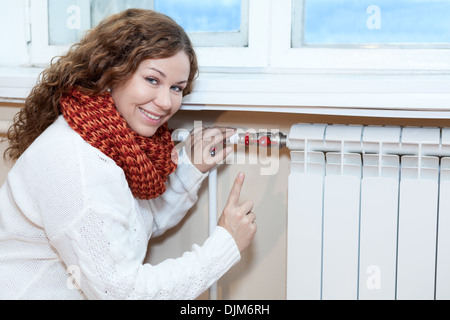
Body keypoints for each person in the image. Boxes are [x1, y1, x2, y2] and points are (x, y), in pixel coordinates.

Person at [0, 9, 256, 300]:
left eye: (176, 88)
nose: (165, 102)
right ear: (111, 72)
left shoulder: (108, 137)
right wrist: (224, 246)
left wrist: (191, 168)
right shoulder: (79, 165)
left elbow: (133, 225)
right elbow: (122, 293)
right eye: (152, 79)